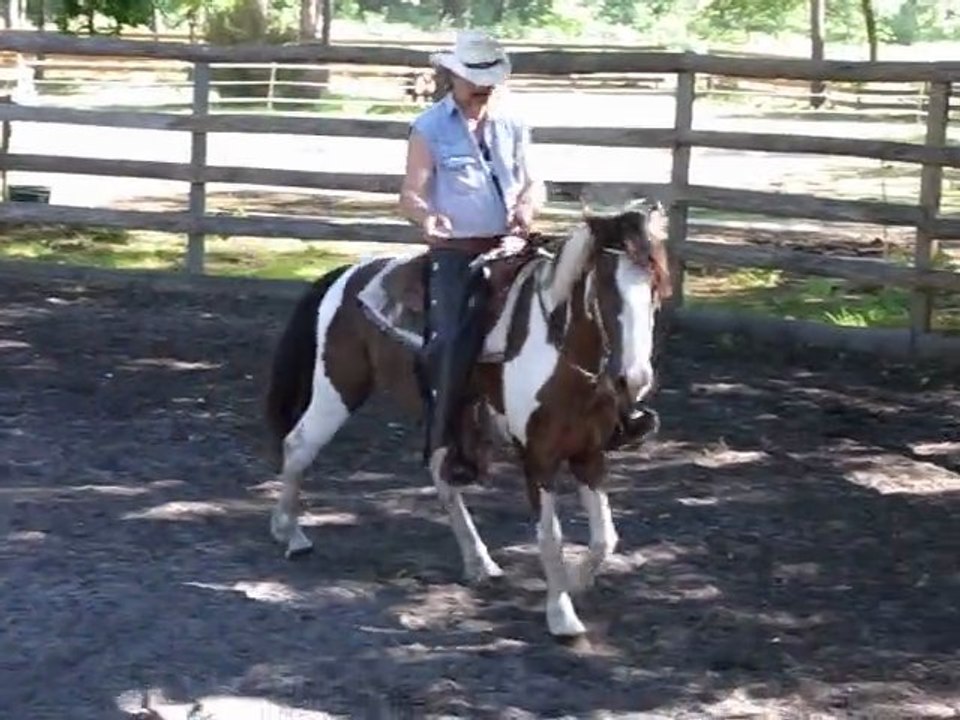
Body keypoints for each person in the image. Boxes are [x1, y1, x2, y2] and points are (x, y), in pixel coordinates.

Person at [398, 29, 545, 483]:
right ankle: (444, 437)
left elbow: (534, 182)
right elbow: (410, 192)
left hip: (512, 245)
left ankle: (604, 412)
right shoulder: (429, 127)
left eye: (489, 79)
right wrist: (426, 218)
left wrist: (528, 205)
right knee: (451, 337)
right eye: (474, 78)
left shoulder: (515, 124)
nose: (483, 87)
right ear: (453, 76)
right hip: (457, 250)